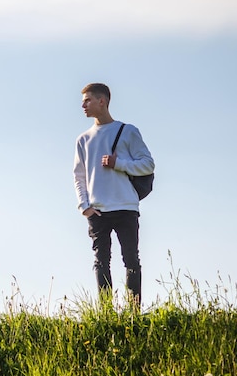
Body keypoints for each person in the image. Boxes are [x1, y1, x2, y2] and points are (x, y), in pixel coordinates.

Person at [73, 83, 154, 307]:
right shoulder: (83, 139)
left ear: (102, 101)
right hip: (97, 210)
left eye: (87, 100)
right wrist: (84, 206)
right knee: (101, 262)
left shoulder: (128, 131)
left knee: (131, 261)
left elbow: (148, 164)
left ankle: (133, 314)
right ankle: (106, 313)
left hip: (126, 206)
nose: (83, 105)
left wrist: (119, 163)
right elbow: (79, 176)